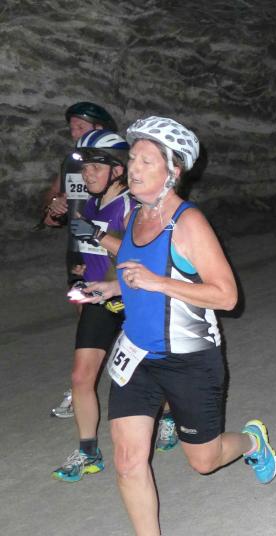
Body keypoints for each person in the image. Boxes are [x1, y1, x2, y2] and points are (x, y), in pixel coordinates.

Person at [83, 116, 276, 535]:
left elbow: (227, 296)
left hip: (189, 359)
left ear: (172, 172)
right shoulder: (135, 215)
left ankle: (253, 441)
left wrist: (156, 282)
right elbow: (140, 272)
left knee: (204, 461)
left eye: (146, 161)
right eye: (133, 159)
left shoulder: (188, 224)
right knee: (127, 461)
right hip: (137, 356)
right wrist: (113, 286)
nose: (134, 169)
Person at [51, 130, 132, 482]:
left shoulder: (131, 205)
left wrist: (97, 235)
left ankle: (171, 416)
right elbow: (91, 250)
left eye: (95, 168)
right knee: (81, 376)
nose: (88, 175)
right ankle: (88, 452)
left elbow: (140, 253)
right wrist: (84, 270)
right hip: (99, 298)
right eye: (85, 169)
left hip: (134, 298)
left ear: (118, 170)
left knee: (148, 373)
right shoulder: (90, 203)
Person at [47, 102, 117, 419]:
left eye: (81, 127)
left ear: (99, 129)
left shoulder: (117, 162)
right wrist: (55, 204)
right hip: (79, 254)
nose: (74, 133)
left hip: (111, 252)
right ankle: (81, 384)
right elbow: (53, 202)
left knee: (128, 319)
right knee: (84, 316)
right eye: (72, 127)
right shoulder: (71, 162)